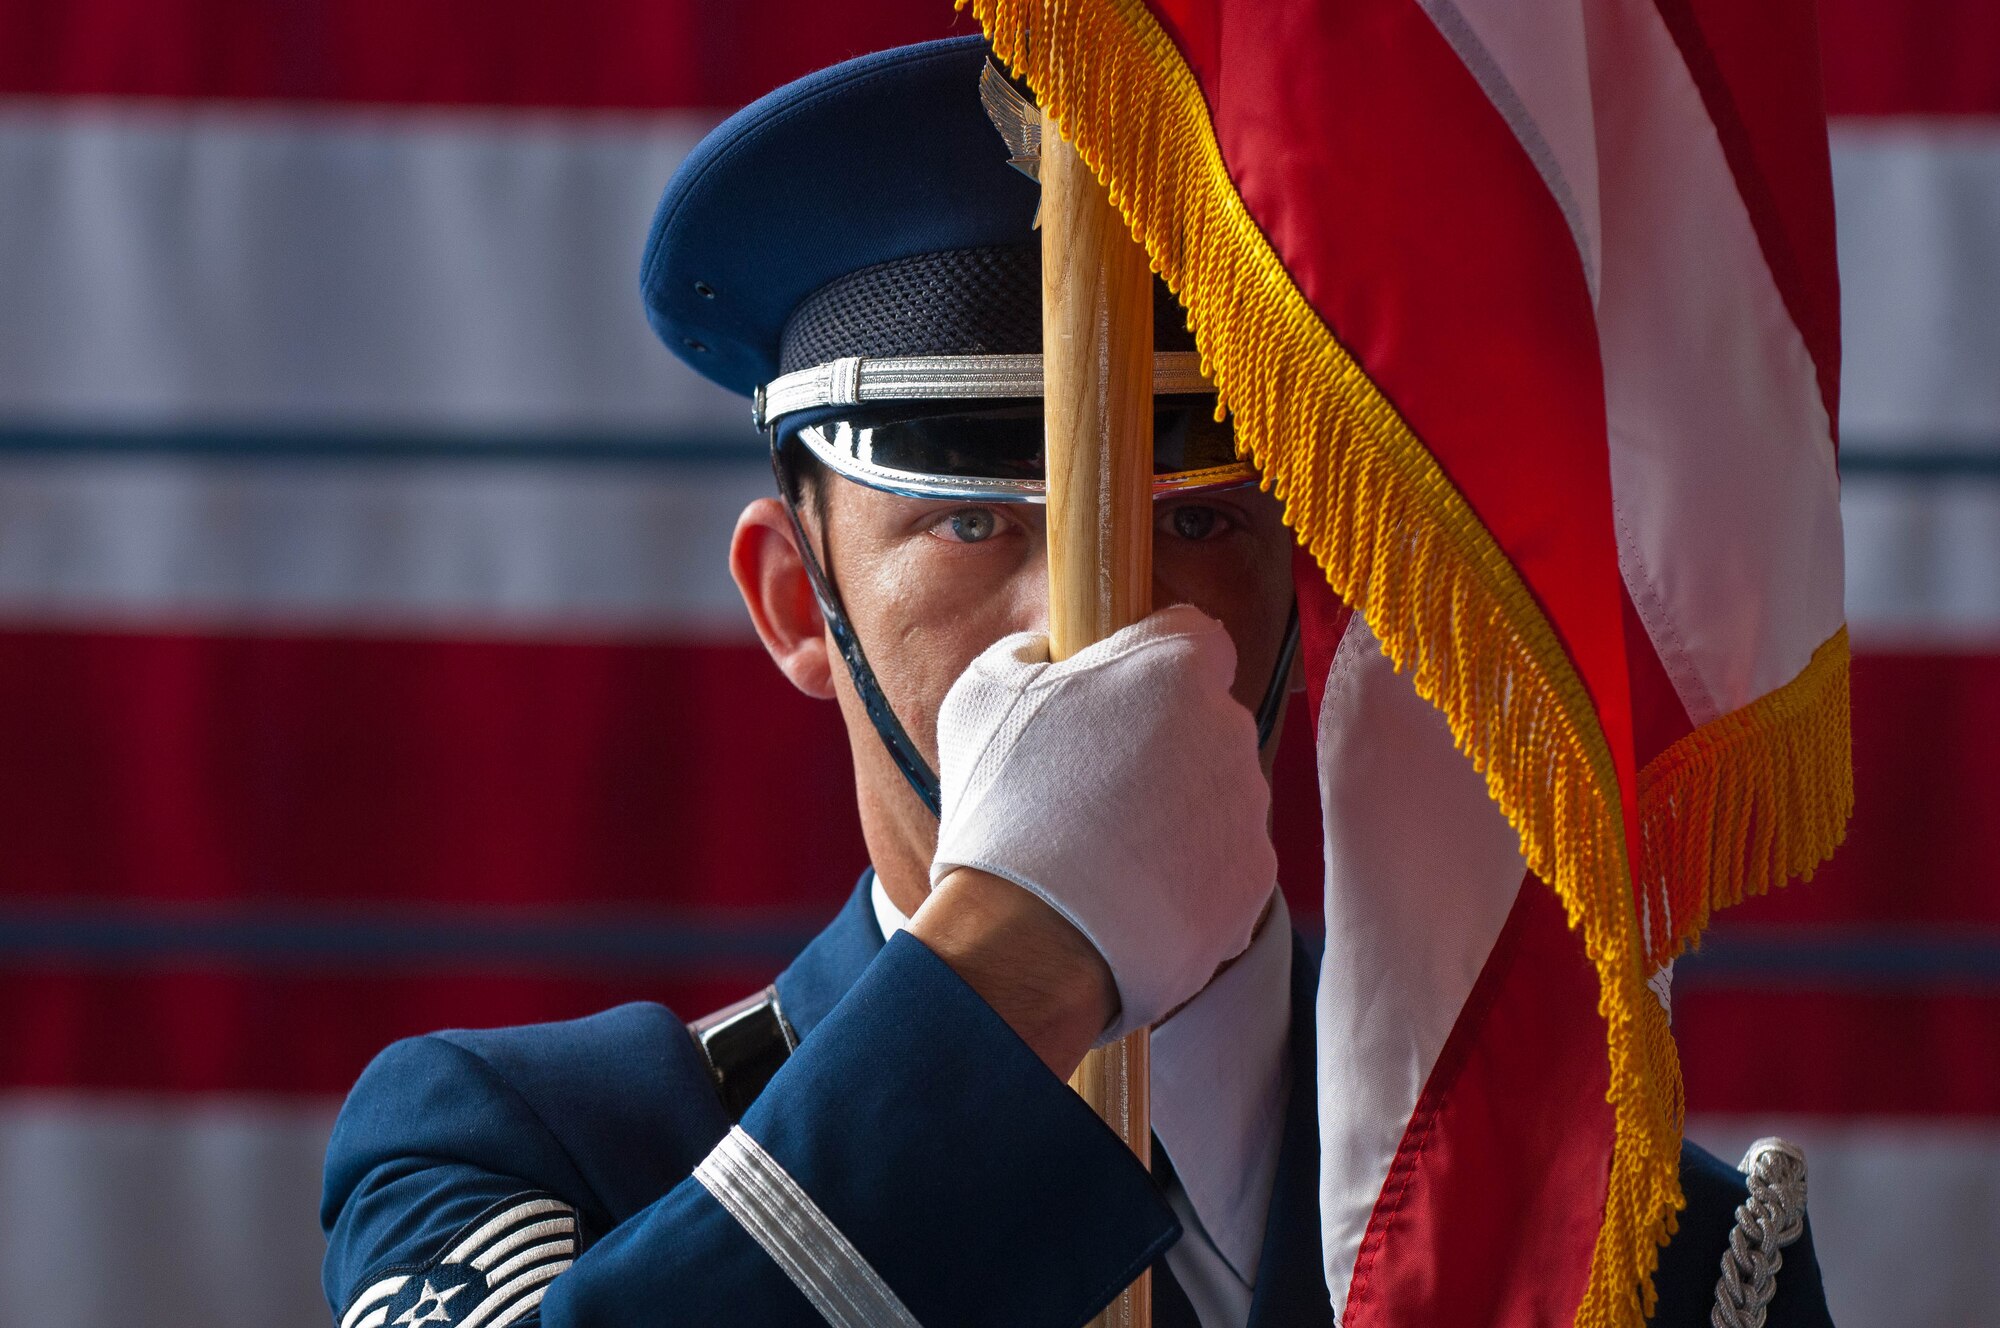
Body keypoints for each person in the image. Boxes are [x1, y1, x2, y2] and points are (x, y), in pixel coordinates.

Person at [320, 36, 1832, 1328]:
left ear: (1314, 587)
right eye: (975, 522)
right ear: (796, 602)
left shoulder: (1632, 1254)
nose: (1094, 620)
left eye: (1200, 523)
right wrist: (1014, 973)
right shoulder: (548, 1152)